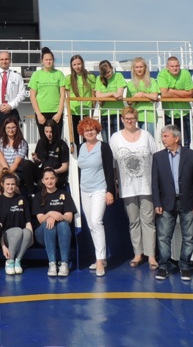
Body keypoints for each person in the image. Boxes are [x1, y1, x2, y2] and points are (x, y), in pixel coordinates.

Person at [151, 124, 193, 281]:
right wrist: (157, 203)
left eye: (166, 136)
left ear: (176, 138)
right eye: (162, 136)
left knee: (189, 237)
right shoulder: (158, 157)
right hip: (166, 202)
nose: (163, 139)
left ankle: (184, 265)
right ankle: (164, 266)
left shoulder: (191, 155)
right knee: (164, 236)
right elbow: (155, 182)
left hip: (187, 202)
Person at [110, 106, 158, 268]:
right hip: (127, 187)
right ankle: (138, 254)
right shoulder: (115, 138)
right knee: (133, 221)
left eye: (132, 118)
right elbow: (113, 164)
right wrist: (115, 185)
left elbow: (156, 159)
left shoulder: (146, 135)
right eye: (126, 118)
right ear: (122, 119)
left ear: (136, 119)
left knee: (149, 221)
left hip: (146, 186)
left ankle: (151, 256)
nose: (129, 121)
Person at [77, 117, 116, 277]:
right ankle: (101, 257)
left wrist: (110, 191)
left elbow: (109, 170)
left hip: (99, 189)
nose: (89, 132)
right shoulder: (80, 147)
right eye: (86, 130)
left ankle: (100, 260)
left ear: (97, 130)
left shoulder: (104, 147)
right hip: (84, 190)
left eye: (92, 129)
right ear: (82, 132)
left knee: (96, 221)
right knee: (91, 225)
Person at [0, 51, 27, 164]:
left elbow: (22, 94)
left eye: (6, 59)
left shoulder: (17, 76)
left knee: (15, 138)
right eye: (1, 59)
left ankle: (16, 165)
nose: (4, 61)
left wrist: (10, 105)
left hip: (11, 111)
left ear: (10, 60)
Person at [32, 167, 76, 277]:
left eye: (52, 178)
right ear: (43, 181)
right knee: (49, 223)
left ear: (56, 179)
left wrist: (56, 217)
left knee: (63, 223)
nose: (49, 181)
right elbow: (41, 219)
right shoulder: (38, 197)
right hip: (42, 234)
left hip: (61, 232)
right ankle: (52, 263)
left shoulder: (64, 194)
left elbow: (69, 218)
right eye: (46, 179)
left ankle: (64, 263)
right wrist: (50, 214)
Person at [0, 172, 34, 275]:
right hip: (7, 235)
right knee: (18, 231)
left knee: (27, 232)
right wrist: (3, 246)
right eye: (8, 184)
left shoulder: (22, 199)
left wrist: (31, 237)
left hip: (21, 235)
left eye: (13, 184)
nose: (10, 187)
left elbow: (28, 221)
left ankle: (17, 260)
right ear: (2, 184)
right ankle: (9, 261)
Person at [29, 47, 66, 143]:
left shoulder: (59, 74)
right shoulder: (36, 75)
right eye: (46, 60)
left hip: (55, 112)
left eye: (50, 59)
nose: (48, 61)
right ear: (42, 61)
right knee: (44, 140)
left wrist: (59, 113)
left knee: (56, 140)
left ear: (53, 61)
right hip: (42, 112)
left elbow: (62, 95)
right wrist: (38, 114)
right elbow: (32, 96)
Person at [157, 56, 193, 148]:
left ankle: (185, 157)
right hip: (169, 113)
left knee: (186, 142)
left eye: (177, 66)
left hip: (185, 112)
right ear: (167, 67)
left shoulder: (185, 73)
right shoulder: (162, 74)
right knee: (169, 142)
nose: (175, 68)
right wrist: (183, 93)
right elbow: (164, 94)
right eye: (172, 66)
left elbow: (190, 93)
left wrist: (172, 91)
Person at [0, 115, 32, 194]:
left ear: (17, 128)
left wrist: (6, 176)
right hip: (1, 170)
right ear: (4, 129)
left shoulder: (22, 143)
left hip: (15, 171)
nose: (11, 130)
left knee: (11, 184)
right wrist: (4, 173)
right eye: (8, 128)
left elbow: (16, 163)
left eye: (13, 127)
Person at [29, 121, 70, 190]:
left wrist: (52, 171)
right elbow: (39, 162)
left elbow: (65, 167)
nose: (48, 134)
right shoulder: (41, 142)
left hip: (56, 174)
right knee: (27, 164)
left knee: (42, 183)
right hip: (43, 172)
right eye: (46, 132)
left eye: (51, 132)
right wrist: (35, 159)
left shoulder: (62, 145)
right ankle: (31, 193)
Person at [94, 60, 127, 140]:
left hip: (118, 113)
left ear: (112, 68)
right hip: (104, 114)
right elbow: (98, 96)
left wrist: (104, 97)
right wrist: (112, 94)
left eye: (108, 72)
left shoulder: (118, 76)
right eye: (104, 73)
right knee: (106, 142)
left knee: (119, 141)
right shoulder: (98, 78)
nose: (107, 75)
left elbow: (119, 95)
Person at [126, 57, 160, 136]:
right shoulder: (130, 83)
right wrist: (136, 97)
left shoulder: (152, 81)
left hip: (149, 115)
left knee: (148, 138)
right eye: (137, 67)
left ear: (145, 68)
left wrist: (143, 94)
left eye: (141, 67)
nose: (139, 69)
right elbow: (129, 102)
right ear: (133, 69)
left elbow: (155, 96)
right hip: (135, 115)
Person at [65, 54, 96, 130]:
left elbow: (93, 94)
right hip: (74, 111)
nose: (77, 67)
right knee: (75, 134)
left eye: (79, 64)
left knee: (87, 133)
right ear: (71, 66)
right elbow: (68, 96)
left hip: (87, 110)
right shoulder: (69, 78)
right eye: (74, 65)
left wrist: (93, 109)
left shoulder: (90, 77)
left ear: (82, 64)